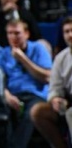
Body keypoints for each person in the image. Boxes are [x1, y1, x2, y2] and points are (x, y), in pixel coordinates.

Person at [0, 19, 52, 148]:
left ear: (26, 34)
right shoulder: (3, 54)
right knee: (3, 113)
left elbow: (47, 77)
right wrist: (7, 96)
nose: (13, 37)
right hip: (13, 95)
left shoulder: (38, 49)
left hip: (36, 95)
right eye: (9, 33)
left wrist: (23, 59)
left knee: (30, 113)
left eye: (17, 33)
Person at [31, 15, 72, 147]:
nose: (70, 35)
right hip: (68, 102)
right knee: (38, 111)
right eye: (66, 31)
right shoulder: (61, 58)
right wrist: (55, 99)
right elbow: (54, 87)